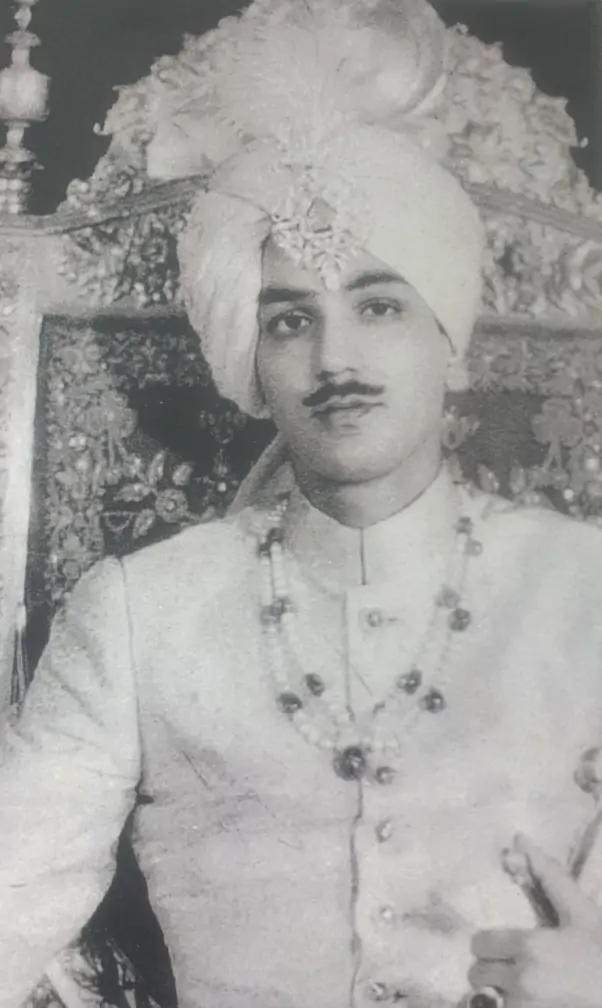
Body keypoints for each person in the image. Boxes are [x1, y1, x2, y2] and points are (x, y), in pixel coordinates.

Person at [3, 1, 602, 1007]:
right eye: (288, 321)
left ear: (449, 344)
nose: (335, 360)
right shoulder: (140, 614)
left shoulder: (584, 589)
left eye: (379, 306)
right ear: (250, 361)